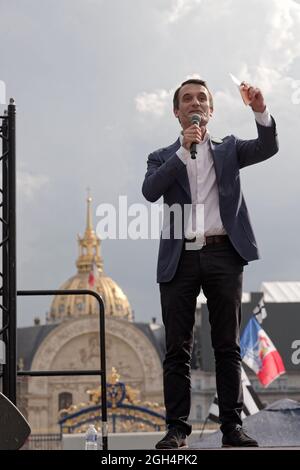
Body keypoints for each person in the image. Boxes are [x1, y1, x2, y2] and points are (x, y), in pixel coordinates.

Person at [142, 78, 279, 449]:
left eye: (201, 97)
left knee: (226, 346)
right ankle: (177, 429)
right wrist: (183, 151)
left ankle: (232, 426)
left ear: (211, 109)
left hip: (223, 253)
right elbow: (150, 190)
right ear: (176, 111)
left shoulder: (230, 149)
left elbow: (268, 147)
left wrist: (259, 109)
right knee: (177, 348)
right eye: (187, 98)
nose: (195, 102)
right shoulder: (162, 156)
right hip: (180, 257)